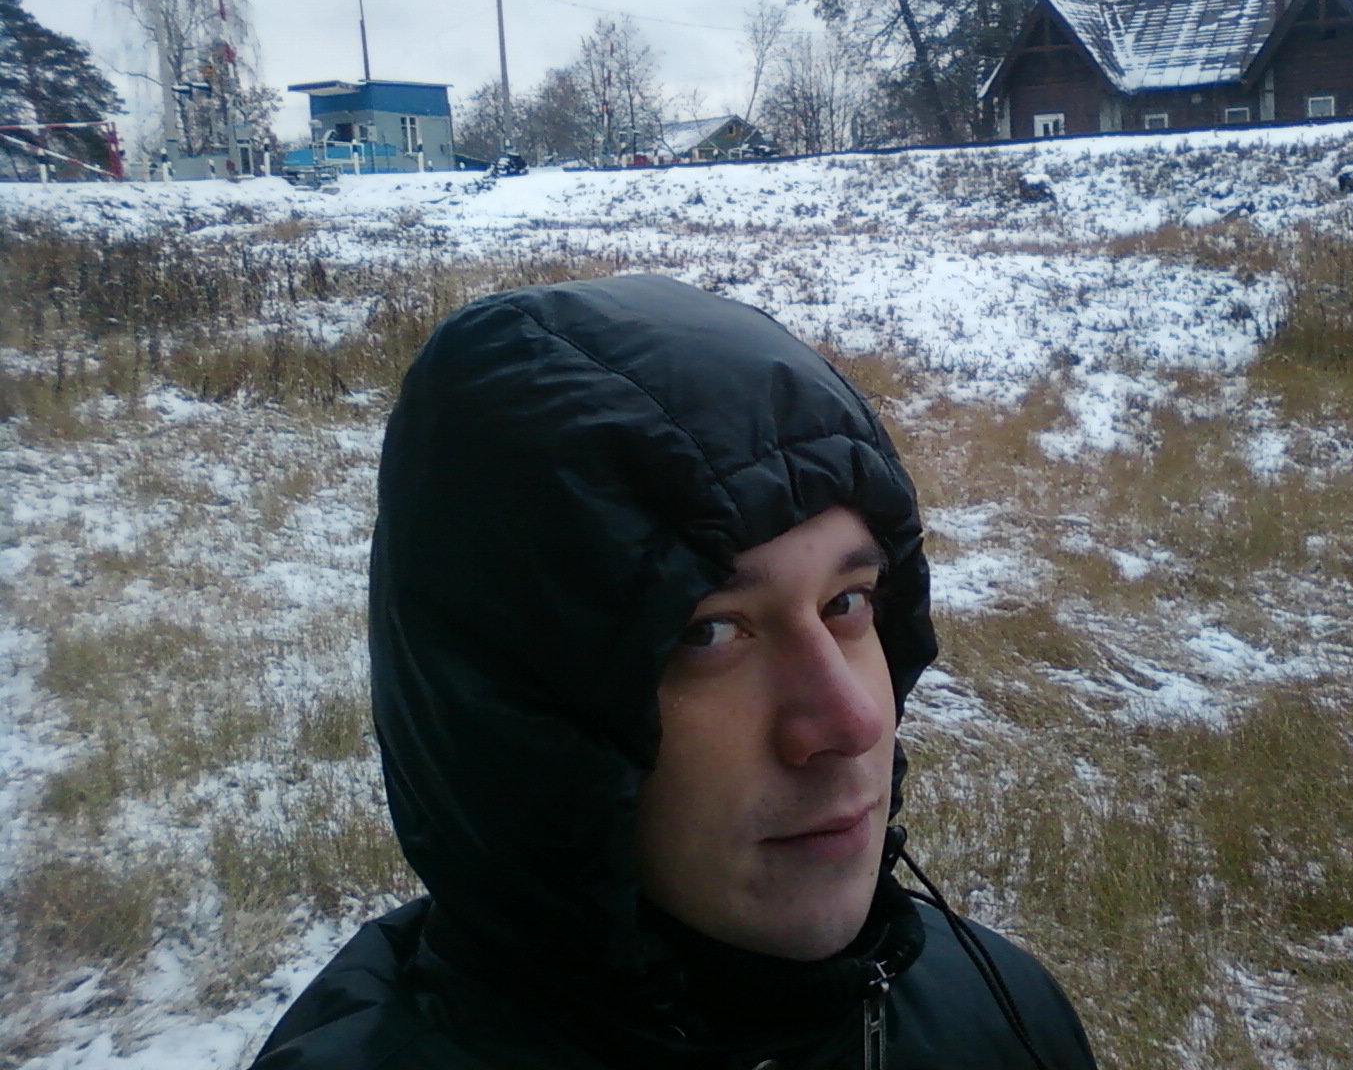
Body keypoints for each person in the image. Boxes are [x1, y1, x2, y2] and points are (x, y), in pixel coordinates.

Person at [251, 275, 1098, 1069]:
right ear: (513, 712)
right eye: (710, 632)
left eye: (846, 604)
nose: (852, 723)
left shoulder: (1001, 1013)